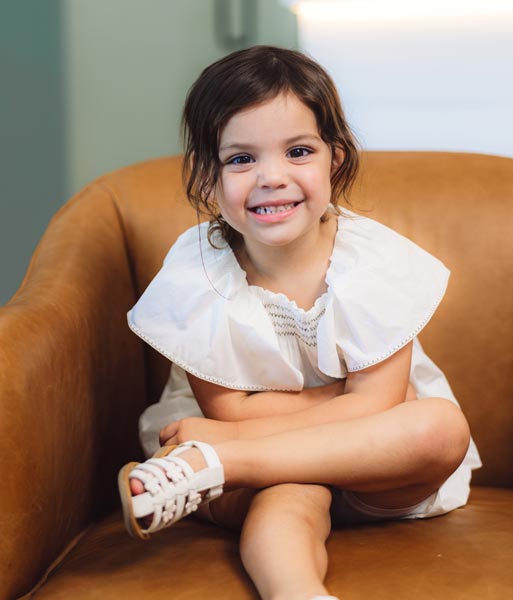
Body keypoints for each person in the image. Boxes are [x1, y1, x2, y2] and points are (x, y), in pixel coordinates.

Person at [119, 45, 481, 600]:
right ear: (205, 176)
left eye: (298, 151)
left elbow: (369, 412)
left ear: (334, 159)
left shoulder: (375, 263)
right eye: (241, 159)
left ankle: (212, 462)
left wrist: (227, 443)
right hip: (264, 475)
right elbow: (227, 408)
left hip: (356, 466)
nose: (272, 177)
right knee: (289, 496)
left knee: (440, 426)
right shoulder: (199, 276)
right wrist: (350, 399)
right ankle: (296, 593)